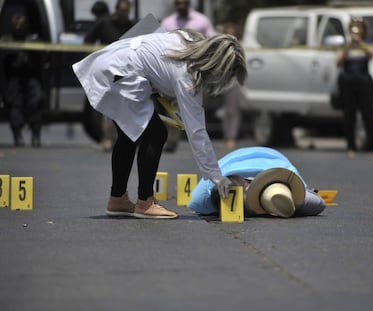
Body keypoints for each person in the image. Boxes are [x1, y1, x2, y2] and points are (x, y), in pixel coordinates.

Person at [72, 29, 247, 219]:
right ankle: (145, 203)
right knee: (156, 134)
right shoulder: (187, 75)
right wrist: (215, 175)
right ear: (218, 67)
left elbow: (152, 42)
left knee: (129, 134)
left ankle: (117, 200)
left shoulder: (186, 38)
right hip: (121, 73)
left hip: (112, 62)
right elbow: (196, 131)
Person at [188, 146, 326, 218]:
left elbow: (319, 203)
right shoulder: (205, 195)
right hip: (239, 161)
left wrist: (290, 205)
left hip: (274, 158)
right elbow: (319, 204)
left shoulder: (286, 174)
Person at [84, 0, 134, 152]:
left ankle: (128, 142)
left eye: (126, 11)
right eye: (121, 11)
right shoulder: (104, 24)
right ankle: (108, 139)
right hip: (108, 72)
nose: (124, 14)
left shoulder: (132, 26)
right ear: (116, 10)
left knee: (128, 109)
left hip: (128, 72)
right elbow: (87, 41)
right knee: (109, 109)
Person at [336, 17, 373, 159]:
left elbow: (371, 54)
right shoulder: (346, 46)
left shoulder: (367, 44)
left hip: (364, 82)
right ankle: (351, 146)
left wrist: (360, 43)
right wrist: (349, 46)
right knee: (349, 115)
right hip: (348, 82)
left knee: (369, 115)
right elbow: (338, 62)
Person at [0, 11, 45, 147]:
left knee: (35, 102)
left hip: (30, 76)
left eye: (21, 19)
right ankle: (17, 135)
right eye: (16, 19)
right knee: (15, 105)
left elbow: (41, 61)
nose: (19, 23)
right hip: (14, 77)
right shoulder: (6, 40)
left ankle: (36, 134)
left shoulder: (33, 39)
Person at [220, 23, 245, 151]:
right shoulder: (221, 46)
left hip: (234, 81)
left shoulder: (239, 46)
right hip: (221, 81)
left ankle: (231, 137)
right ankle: (226, 136)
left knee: (232, 111)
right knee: (225, 112)